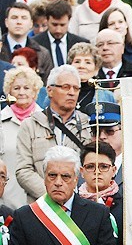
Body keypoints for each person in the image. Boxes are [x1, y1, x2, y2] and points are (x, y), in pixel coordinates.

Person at [15, 65, 91, 203]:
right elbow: (23, 171)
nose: (72, 92)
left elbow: (91, 168)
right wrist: (53, 194)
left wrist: (73, 199)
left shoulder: (89, 125)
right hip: (41, 207)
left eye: (76, 88)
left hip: (79, 206)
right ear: (50, 90)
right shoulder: (30, 125)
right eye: (66, 87)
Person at [1, 66, 44, 209]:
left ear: (35, 92)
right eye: (16, 88)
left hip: (41, 202)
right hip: (7, 201)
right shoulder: (1, 121)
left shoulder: (47, 121)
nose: (21, 92)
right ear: (8, 92)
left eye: (27, 88)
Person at [35, 42, 114, 113]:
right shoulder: (56, 92)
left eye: (88, 62)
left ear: (96, 69)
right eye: (77, 61)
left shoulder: (107, 96)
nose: (81, 66)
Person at [2, 2, 53, 80]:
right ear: (6, 22)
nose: (19, 22)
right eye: (14, 17)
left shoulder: (42, 53)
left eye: (24, 18)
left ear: (31, 24)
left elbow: (47, 86)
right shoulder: (0, 48)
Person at [32, 0, 88, 68]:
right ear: (47, 20)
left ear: (69, 20)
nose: (58, 30)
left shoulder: (81, 44)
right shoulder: (34, 44)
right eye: (54, 25)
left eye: (62, 25)